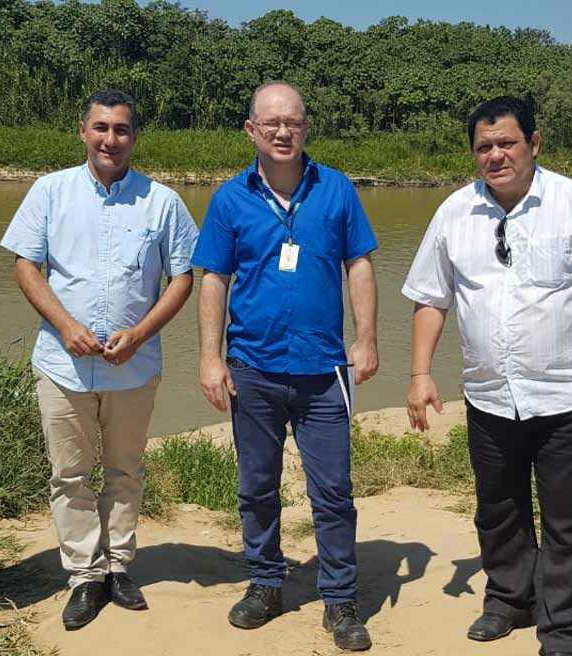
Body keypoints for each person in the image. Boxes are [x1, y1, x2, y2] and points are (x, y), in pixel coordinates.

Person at [402, 96, 572, 656]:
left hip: (570, 396)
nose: (496, 155)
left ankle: (563, 631)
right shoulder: (453, 213)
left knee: (569, 521)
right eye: (484, 147)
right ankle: (510, 601)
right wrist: (420, 373)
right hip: (490, 397)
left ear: (534, 144)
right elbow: (430, 299)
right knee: (499, 510)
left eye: (507, 143)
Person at [1, 89, 198, 631]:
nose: (111, 139)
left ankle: (119, 567)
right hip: (63, 364)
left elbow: (182, 277)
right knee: (69, 475)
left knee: (125, 470)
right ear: (83, 131)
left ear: (135, 136)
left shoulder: (164, 202)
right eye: (101, 128)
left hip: (134, 365)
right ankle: (84, 575)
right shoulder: (49, 192)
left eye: (122, 130)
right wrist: (66, 326)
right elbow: (26, 266)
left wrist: (139, 333)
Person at [193, 81, 379, 652]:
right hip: (252, 367)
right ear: (251, 130)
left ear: (305, 127)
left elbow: (360, 266)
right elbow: (214, 280)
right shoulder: (229, 199)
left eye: (292, 122)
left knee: (333, 489)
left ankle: (340, 597)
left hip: (325, 371)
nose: (282, 132)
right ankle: (266, 583)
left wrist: (366, 339)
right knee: (256, 486)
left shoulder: (338, 190)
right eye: (270, 123)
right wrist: (209, 357)